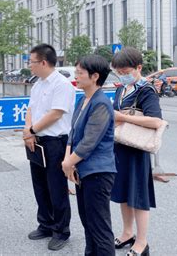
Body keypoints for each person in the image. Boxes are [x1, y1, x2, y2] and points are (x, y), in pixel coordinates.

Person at [62, 54, 117, 256]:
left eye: (80, 72)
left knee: (99, 227)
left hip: (98, 173)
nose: (76, 76)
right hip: (82, 171)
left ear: (95, 76)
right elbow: (73, 134)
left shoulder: (101, 103)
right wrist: (67, 161)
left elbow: (89, 142)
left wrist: (69, 163)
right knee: (88, 223)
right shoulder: (83, 100)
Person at [110, 47, 163, 256]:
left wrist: (123, 117)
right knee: (123, 193)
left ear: (138, 68)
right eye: (119, 72)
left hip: (137, 151)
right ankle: (127, 233)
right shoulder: (120, 89)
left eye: (125, 71)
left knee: (138, 197)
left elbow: (155, 121)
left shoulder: (145, 90)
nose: (122, 76)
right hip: (120, 147)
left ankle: (142, 242)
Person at [23, 43, 75, 251]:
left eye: (32, 62)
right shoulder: (38, 84)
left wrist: (32, 130)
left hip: (55, 142)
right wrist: (29, 132)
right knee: (40, 185)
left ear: (43, 62)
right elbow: (30, 109)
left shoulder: (61, 84)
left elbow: (56, 114)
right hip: (36, 141)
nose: (30, 66)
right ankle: (45, 223)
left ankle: (61, 231)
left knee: (57, 188)